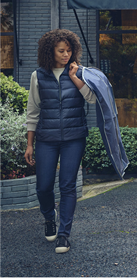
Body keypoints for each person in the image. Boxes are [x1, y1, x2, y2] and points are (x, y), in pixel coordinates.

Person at [24, 29, 96, 254]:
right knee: (43, 186)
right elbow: (33, 111)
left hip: (74, 138)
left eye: (69, 50)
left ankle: (64, 234)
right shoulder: (38, 75)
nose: (66, 55)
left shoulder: (79, 72)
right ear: (50, 52)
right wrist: (29, 143)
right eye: (61, 51)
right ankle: (49, 218)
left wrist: (74, 78)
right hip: (46, 138)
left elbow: (92, 99)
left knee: (67, 185)